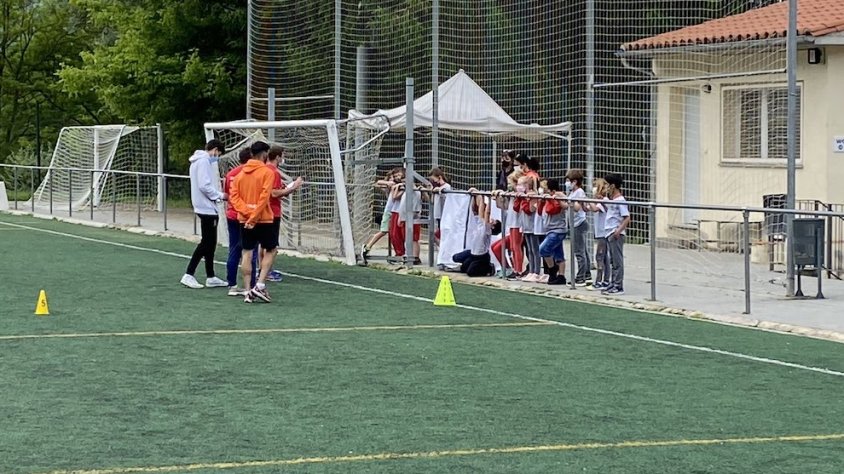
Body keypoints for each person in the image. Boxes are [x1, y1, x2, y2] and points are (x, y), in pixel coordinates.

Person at [229, 141, 277, 303]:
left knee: (247, 252)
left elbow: (234, 197)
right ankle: (260, 284)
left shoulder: (240, 174)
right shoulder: (267, 172)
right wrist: (254, 215)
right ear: (264, 154)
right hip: (263, 219)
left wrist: (247, 213)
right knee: (271, 249)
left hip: (245, 219)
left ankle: (248, 290)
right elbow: (264, 198)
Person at [180, 139, 228, 289]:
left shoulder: (199, 161)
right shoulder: (203, 162)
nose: (217, 157)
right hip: (206, 208)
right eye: (218, 153)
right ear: (214, 150)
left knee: (211, 243)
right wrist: (220, 195)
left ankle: (211, 275)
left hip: (205, 206)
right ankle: (189, 273)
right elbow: (204, 185)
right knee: (206, 242)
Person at [265, 146, 304, 281]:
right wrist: (293, 187)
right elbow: (274, 193)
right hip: (272, 212)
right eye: (282, 156)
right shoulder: (273, 172)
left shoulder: (264, 169)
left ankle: (263, 270)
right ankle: (265, 273)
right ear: (277, 157)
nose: (283, 159)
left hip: (264, 211)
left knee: (263, 245)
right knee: (271, 247)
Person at [224, 147, 258, 296]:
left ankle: (231, 284)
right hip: (247, 215)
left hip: (232, 214)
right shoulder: (251, 174)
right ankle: (251, 285)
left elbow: (227, 194)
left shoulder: (231, 174)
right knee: (251, 251)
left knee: (234, 249)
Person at [452, 189, 501, 277]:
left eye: (494, 221)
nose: (492, 220)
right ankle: (468, 263)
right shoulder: (481, 224)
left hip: (481, 257)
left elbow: (487, 213)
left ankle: (489, 267)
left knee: (471, 272)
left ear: (493, 226)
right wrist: (481, 196)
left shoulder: (487, 230)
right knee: (456, 258)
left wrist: (489, 200)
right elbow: (481, 211)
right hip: (472, 253)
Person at [361, 168, 402, 263]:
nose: (393, 179)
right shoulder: (390, 185)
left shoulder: (398, 185)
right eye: (392, 177)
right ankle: (367, 247)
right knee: (383, 231)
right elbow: (378, 182)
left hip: (395, 211)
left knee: (395, 234)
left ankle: (397, 254)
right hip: (389, 212)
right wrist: (388, 183)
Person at [602, 173, 631, 296]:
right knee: (612, 260)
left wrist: (618, 230)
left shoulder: (620, 200)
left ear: (613, 186)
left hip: (615, 233)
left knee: (617, 260)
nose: (606, 187)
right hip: (609, 232)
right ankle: (613, 283)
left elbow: (627, 217)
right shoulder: (613, 200)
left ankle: (618, 286)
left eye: (608, 185)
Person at [539, 179, 569, 285]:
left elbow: (565, 206)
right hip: (550, 229)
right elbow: (540, 211)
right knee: (559, 254)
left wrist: (559, 197)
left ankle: (552, 269)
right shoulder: (546, 199)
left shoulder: (558, 196)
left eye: (545, 188)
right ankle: (560, 276)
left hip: (558, 230)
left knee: (543, 249)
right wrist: (542, 201)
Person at [566, 169, 591, 286]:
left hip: (579, 223)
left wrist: (569, 202)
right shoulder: (572, 193)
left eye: (569, 181)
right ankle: (586, 273)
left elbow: (577, 207)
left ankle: (581, 276)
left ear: (575, 181)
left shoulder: (579, 192)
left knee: (579, 251)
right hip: (574, 223)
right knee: (583, 250)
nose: (567, 183)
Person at [588, 178, 611, 290]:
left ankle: (600, 280)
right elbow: (588, 209)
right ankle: (605, 280)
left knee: (600, 256)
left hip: (603, 233)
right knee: (604, 256)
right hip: (600, 232)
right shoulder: (599, 201)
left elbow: (595, 209)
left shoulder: (604, 200)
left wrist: (589, 201)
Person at [428, 167, 451, 245]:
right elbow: (432, 201)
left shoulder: (446, 186)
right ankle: (441, 248)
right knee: (435, 235)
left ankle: (443, 248)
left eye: (434, 180)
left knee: (440, 235)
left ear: (439, 177)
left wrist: (439, 190)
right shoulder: (436, 188)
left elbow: (447, 198)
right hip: (438, 215)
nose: (433, 182)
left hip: (445, 214)